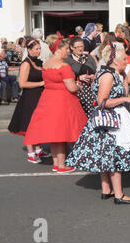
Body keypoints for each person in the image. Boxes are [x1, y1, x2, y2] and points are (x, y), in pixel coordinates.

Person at [66, 42, 130, 204]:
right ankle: (119, 195)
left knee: (107, 155)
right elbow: (102, 101)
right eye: (124, 59)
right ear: (114, 60)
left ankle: (107, 189)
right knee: (114, 155)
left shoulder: (112, 73)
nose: (127, 62)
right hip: (111, 119)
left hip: (109, 119)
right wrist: (126, 98)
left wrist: (125, 79)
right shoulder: (108, 75)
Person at [23, 39, 87, 173]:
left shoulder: (46, 64)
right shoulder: (63, 66)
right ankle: (62, 165)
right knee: (62, 134)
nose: (68, 52)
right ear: (59, 49)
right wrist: (79, 86)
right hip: (63, 101)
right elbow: (71, 87)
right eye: (66, 50)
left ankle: (56, 164)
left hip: (48, 99)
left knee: (55, 134)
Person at [8, 39, 50, 164]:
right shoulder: (26, 63)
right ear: (29, 50)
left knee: (37, 124)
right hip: (29, 98)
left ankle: (38, 149)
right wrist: (41, 83)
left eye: (39, 48)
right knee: (29, 125)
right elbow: (22, 83)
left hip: (39, 97)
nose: (39, 51)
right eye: (36, 49)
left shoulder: (37, 62)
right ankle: (31, 153)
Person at [64, 37, 97, 117]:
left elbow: (97, 71)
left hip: (91, 90)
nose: (80, 49)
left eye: (81, 46)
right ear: (71, 47)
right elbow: (64, 77)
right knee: (79, 116)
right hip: (77, 91)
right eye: (77, 47)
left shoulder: (89, 57)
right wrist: (78, 78)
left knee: (93, 115)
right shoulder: (67, 60)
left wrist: (94, 76)